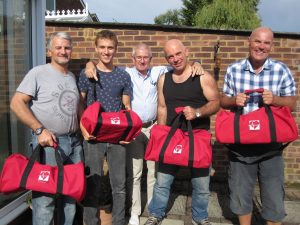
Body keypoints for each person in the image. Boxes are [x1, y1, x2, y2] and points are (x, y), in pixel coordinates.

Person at [85, 43, 204, 225]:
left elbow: (181, 63)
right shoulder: (126, 73)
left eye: (145, 57)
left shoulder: (159, 71)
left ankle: (152, 211)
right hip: (135, 130)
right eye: (138, 57)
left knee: (153, 173)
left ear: (151, 59)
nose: (142, 60)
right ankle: (134, 212)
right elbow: (103, 64)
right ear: (133, 59)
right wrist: (89, 63)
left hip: (154, 127)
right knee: (135, 173)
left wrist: (196, 62)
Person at [220, 27, 296, 225]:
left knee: (274, 202)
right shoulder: (234, 69)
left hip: (271, 148)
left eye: (266, 43)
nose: (261, 46)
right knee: (240, 197)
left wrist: (276, 99)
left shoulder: (281, 70)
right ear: (249, 41)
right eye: (257, 41)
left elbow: (292, 104)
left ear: (271, 46)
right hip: (240, 148)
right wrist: (233, 100)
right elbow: (223, 102)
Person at [144, 39, 220, 225]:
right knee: (162, 182)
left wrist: (198, 112)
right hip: (172, 136)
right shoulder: (164, 79)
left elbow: (216, 102)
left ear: (186, 52)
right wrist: (161, 134)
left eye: (178, 54)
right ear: (166, 59)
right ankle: (156, 214)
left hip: (198, 136)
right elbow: (162, 107)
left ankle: (200, 218)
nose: (175, 59)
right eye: (170, 56)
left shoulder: (202, 77)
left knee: (201, 185)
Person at [10, 32, 83, 225]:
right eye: (58, 47)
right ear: (49, 50)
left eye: (67, 47)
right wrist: (39, 130)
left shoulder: (71, 77)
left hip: (74, 144)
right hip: (49, 144)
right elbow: (17, 103)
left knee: (70, 198)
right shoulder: (38, 73)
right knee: (45, 200)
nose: (63, 51)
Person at [78, 30, 132, 225]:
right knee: (92, 183)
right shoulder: (87, 73)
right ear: (96, 48)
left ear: (116, 49)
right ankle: (90, 222)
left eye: (110, 47)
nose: (106, 51)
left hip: (117, 137)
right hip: (93, 136)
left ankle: (118, 222)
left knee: (119, 185)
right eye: (102, 47)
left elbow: (127, 107)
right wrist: (82, 128)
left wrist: (129, 133)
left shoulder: (123, 76)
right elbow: (80, 104)